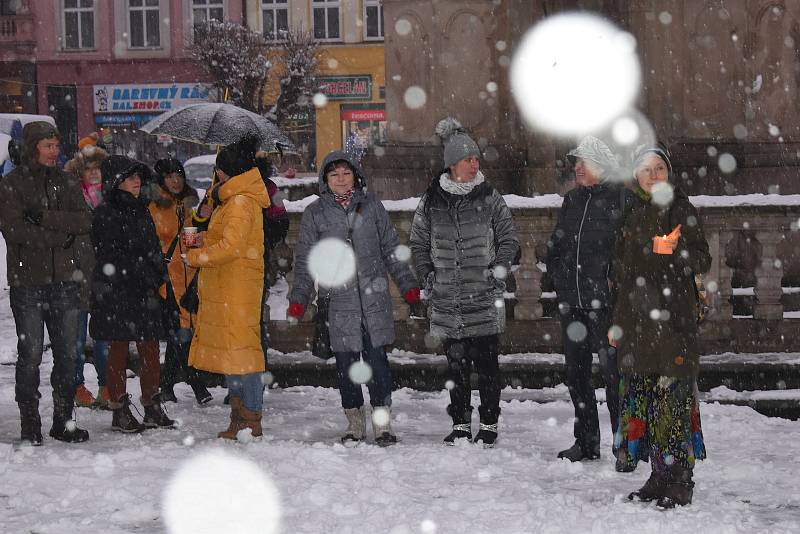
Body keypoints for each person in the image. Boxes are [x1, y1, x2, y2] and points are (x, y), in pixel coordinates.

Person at [288, 150, 419, 446]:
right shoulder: (316, 213)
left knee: (377, 366)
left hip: (374, 301)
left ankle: (382, 425)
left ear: (355, 176)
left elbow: (391, 248)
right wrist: (300, 297)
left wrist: (408, 283)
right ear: (325, 180)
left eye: (346, 173)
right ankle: (355, 424)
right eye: (334, 175)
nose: (341, 179)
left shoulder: (372, 206)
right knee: (347, 368)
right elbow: (305, 260)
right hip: (339, 304)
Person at [610, 145, 710, 508]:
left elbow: (703, 257)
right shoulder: (632, 214)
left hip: (672, 326)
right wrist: (617, 324)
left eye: (659, 169)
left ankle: (680, 480)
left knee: (673, 407)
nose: (653, 176)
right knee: (649, 406)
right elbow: (622, 276)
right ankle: (658, 475)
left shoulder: (681, 208)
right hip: (638, 329)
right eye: (645, 170)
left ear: (669, 173)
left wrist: (676, 249)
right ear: (636, 176)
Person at [409, 117, 519, 448]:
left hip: (483, 296)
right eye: (468, 160)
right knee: (455, 368)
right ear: (452, 164)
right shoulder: (431, 200)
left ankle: (488, 424)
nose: (475, 164)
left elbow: (509, 238)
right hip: (446, 298)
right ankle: (459, 424)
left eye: (476, 159)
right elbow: (418, 242)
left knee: (487, 366)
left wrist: (497, 271)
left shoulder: (490, 197)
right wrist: (428, 273)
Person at [0, 121, 92, 445]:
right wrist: (60, 235)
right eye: (48, 146)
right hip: (27, 283)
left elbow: (83, 221)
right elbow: (14, 231)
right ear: (33, 147)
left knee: (68, 356)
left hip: (65, 281)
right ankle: (30, 425)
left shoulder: (67, 181)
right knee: (31, 357)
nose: (55, 152)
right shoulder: (11, 183)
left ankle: (64, 422)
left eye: (56, 146)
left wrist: (43, 217)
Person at [545, 135, 631, 462]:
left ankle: (624, 446)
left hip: (606, 306)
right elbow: (556, 246)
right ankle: (586, 441)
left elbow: (628, 251)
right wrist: (560, 276)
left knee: (615, 379)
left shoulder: (621, 200)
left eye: (584, 162)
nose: (578, 168)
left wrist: (612, 279)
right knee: (577, 376)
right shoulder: (572, 201)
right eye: (576, 162)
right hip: (573, 303)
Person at [183, 133, 271, 441]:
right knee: (234, 355)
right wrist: (201, 237)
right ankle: (239, 417)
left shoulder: (240, 202)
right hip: (229, 287)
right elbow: (227, 241)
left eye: (217, 168)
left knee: (243, 354)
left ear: (224, 171)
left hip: (236, 289)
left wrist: (196, 256)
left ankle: (251, 418)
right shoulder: (230, 200)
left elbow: (232, 247)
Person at [91, 155, 174, 433]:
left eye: (138, 177)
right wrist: (142, 269)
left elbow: (150, 246)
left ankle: (151, 403)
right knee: (119, 346)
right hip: (118, 290)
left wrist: (158, 272)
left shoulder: (141, 208)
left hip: (143, 288)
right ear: (117, 182)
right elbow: (109, 254)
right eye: (130, 177)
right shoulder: (105, 212)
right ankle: (119, 408)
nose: (137, 181)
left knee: (149, 345)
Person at [149, 158, 213, 405]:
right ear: (161, 180)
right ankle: (197, 385)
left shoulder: (186, 206)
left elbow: (191, 241)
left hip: (186, 279)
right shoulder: (154, 207)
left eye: (178, 175)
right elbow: (153, 242)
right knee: (180, 334)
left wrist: (200, 223)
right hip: (166, 282)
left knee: (181, 334)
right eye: (169, 176)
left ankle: (165, 385)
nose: (175, 181)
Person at [64, 144, 111, 409]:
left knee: (104, 335)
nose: (94, 174)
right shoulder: (71, 197)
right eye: (89, 169)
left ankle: (107, 385)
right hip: (76, 274)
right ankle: (77, 385)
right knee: (77, 337)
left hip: (105, 276)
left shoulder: (109, 197)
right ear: (80, 172)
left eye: (98, 168)